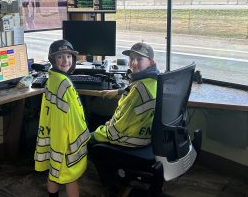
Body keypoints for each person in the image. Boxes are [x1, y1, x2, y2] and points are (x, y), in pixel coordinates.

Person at [34, 39, 90, 197]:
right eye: (60, 57)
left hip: (55, 140)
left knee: (54, 172)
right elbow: (73, 117)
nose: (66, 61)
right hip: (66, 142)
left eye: (69, 56)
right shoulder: (64, 84)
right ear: (52, 59)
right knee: (71, 178)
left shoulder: (52, 78)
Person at [90, 42, 159, 147]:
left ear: (151, 62)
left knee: (85, 139)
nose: (134, 63)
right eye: (131, 59)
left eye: (139, 59)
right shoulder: (154, 80)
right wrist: (119, 91)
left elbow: (117, 129)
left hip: (130, 140)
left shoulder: (138, 89)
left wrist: (96, 135)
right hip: (147, 136)